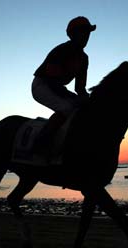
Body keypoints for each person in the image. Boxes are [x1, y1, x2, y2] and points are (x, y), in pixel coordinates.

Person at [31, 16, 96, 154]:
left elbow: (80, 88)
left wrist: (87, 99)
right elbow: (51, 82)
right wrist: (73, 97)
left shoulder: (84, 59)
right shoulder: (60, 51)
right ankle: (40, 145)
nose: (86, 36)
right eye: (83, 31)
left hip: (58, 87)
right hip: (42, 85)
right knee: (67, 108)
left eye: (88, 32)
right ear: (72, 34)